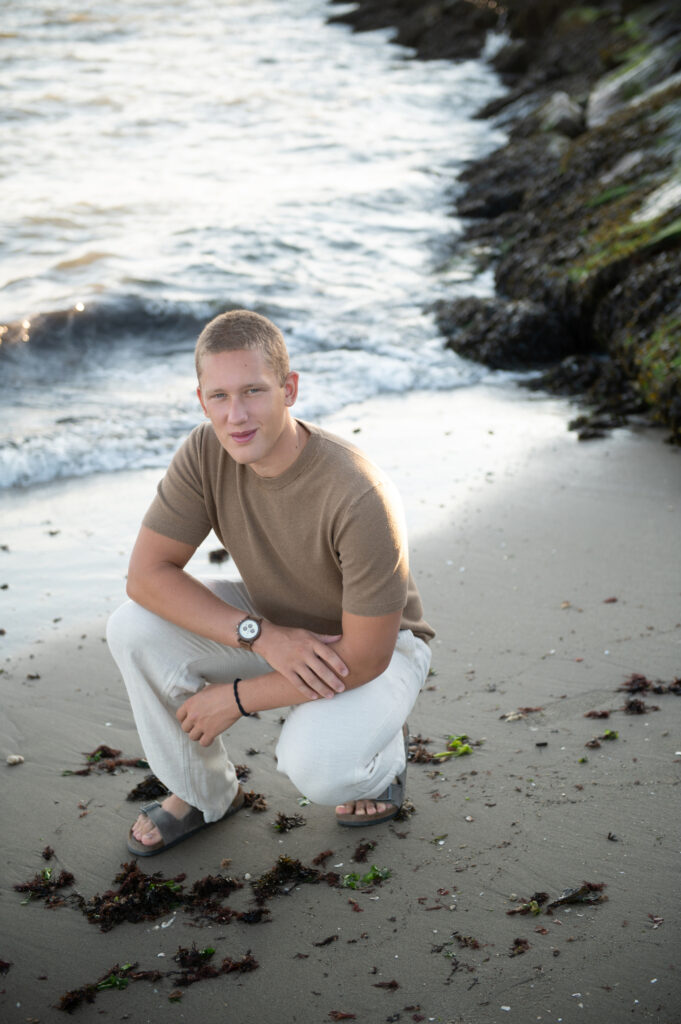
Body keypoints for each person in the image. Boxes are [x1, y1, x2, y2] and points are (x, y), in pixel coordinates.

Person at [107, 309, 434, 856]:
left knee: (318, 769)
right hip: (274, 621)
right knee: (133, 627)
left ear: (289, 389)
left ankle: (382, 758)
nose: (236, 416)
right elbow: (145, 576)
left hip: (376, 649)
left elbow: (367, 656)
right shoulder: (205, 452)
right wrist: (263, 636)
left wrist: (236, 698)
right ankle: (204, 793)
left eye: (254, 391)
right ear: (201, 399)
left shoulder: (359, 494)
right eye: (219, 396)